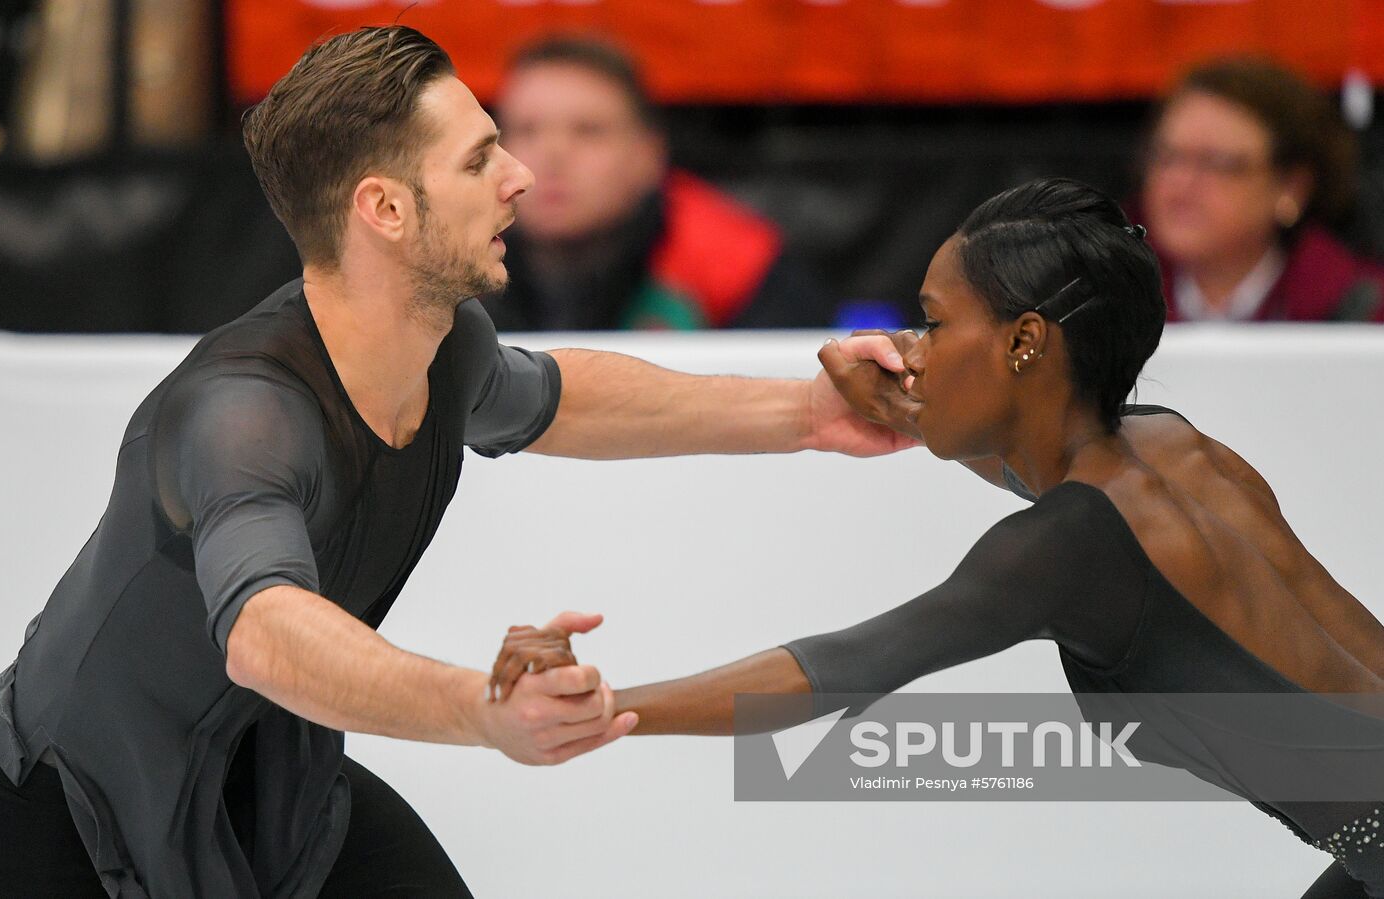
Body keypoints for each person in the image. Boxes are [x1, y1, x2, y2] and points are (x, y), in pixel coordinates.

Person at [0, 25, 917, 898]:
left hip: (276, 788)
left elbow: (555, 396)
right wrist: (482, 709)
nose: (519, 175)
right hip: (66, 814)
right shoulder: (245, 414)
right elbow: (264, 632)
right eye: (479, 157)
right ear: (384, 208)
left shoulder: (444, 343)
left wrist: (805, 410)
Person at [492, 179, 1384, 897]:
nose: (910, 348)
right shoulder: (1173, 445)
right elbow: (1038, 460)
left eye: (934, 321)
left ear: (1026, 343)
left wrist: (607, 706)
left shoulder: (1069, 544)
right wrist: (914, 406)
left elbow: (832, 671)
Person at [480, 36, 833, 331]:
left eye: (589, 131)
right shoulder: (449, 252)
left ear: (649, 154)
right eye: (526, 130)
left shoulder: (738, 266)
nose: (552, 156)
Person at [1141, 57, 1384, 323]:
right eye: (1167, 157)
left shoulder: (1361, 306)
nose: (1180, 181)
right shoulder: (1105, 291)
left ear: (1292, 187)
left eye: (1217, 162)